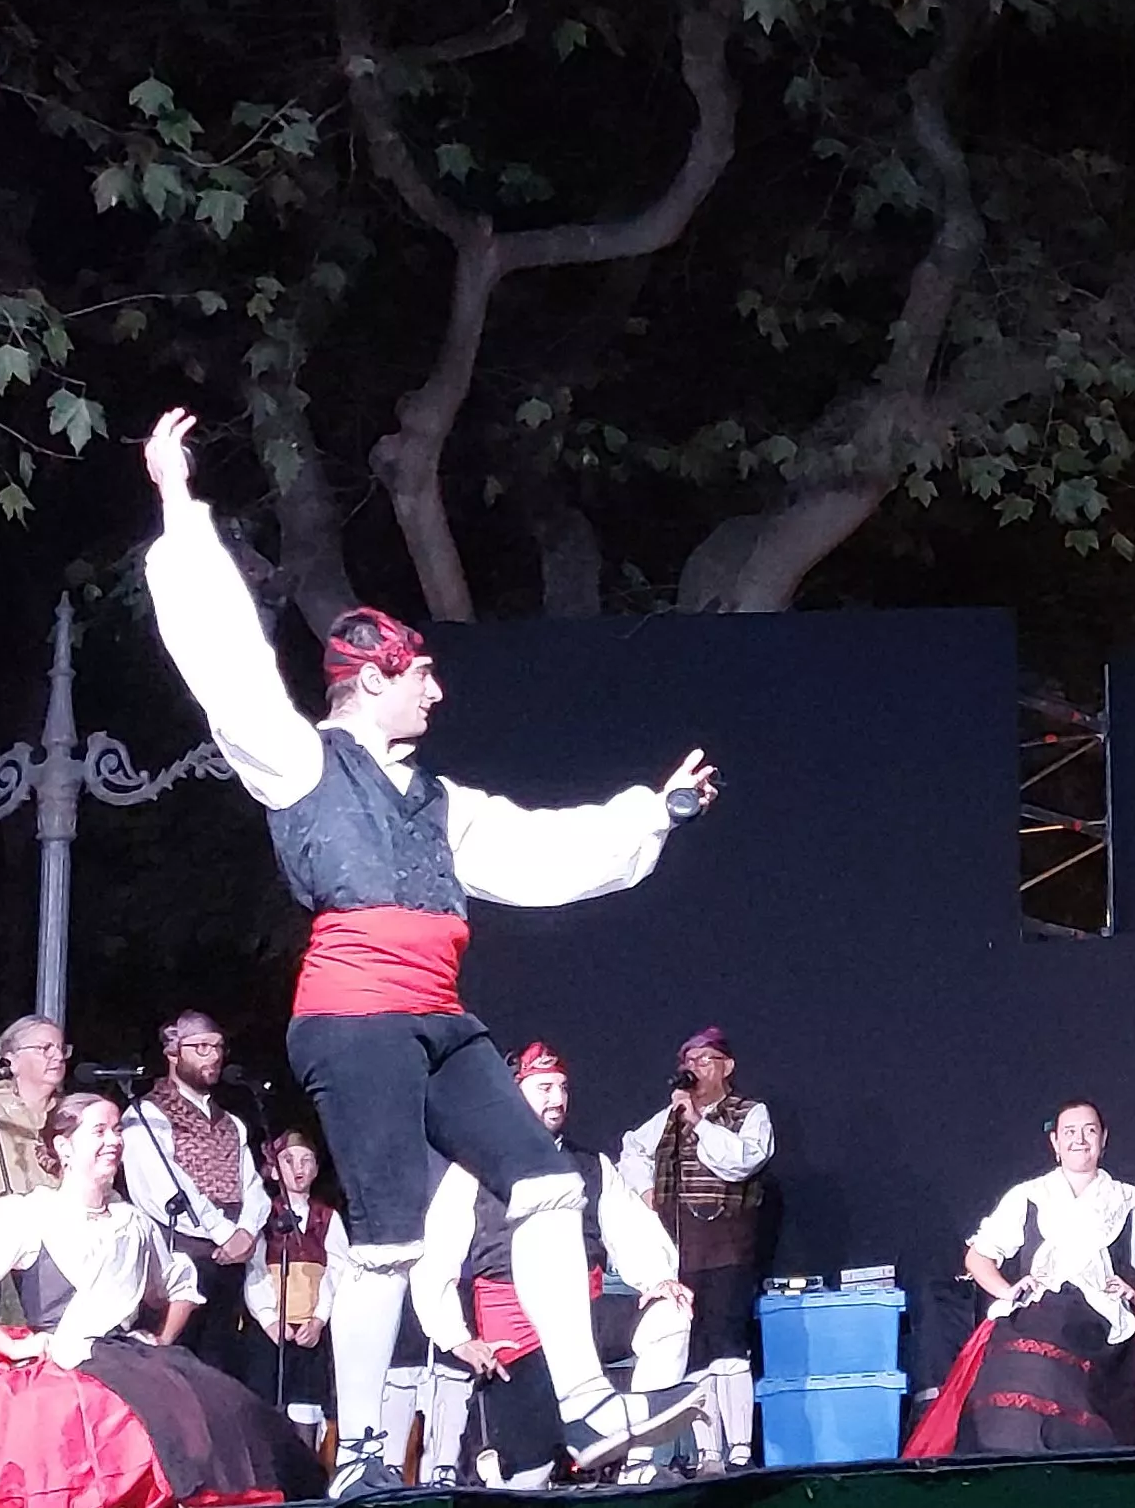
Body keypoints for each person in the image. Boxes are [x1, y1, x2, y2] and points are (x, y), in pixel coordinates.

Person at [137, 405, 717, 1497]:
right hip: (354, 1019)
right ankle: (359, 1449)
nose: (439, 692)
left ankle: (588, 1404)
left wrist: (657, 811)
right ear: (375, 678)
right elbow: (224, 662)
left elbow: (545, 849)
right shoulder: (300, 763)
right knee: (393, 1241)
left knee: (547, 1185)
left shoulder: (440, 802)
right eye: (423, 677)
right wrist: (178, 507)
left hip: (439, 1013)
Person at [0, 1091, 320, 1508]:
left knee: (228, 1414)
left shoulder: (132, 1222)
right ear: (64, 1146)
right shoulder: (30, 1214)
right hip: (60, 1355)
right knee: (76, 1430)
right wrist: (12, 1345)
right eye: (99, 1131)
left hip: (128, 1355)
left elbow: (177, 1283)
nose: (113, 1140)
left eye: (117, 1131)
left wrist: (162, 1338)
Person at [414, 1042, 703, 1483]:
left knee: (669, 1317)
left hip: (584, 1321)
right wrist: (457, 1340)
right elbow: (435, 1257)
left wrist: (659, 1277)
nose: (558, 1098)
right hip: (515, 1342)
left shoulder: (591, 1166)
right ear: (512, 1095)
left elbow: (631, 1227)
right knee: (522, 1477)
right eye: (544, 1087)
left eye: (563, 1087)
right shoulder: (472, 1170)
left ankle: (638, 1466)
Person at [907, 1101, 1135, 1456]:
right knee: (1013, 1368)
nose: (1079, 1140)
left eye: (1089, 1130)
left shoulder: (1130, 1200)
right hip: (1035, 1310)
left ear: (1104, 1138)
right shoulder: (1028, 1196)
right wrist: (1006, 1291)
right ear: (1055, 1142)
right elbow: (979, 1255)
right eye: (1069, 1132)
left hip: (1101, 1320)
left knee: (1068, 1340)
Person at [616, 1027, 773, 1472]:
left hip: (727, 1246)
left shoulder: (750, 1113)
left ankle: (739, 1447)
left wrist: (700, 1122)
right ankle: (707, 1450)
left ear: (727, 1066)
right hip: (681, 1251)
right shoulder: (668, 1116)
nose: (694, 1069)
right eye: (689, 1061)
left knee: (727, 1344)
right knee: (695, 1350)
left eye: (705, 1060)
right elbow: (631, 1148)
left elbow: (743, 1159)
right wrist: (646, 1193)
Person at [120, 1013, 274, 1391]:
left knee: (219, 1374)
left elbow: (251, 1185)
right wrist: (223, 1232)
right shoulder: (146, 1115)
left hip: (230, 1263)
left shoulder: (231, 1122)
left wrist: (246, 1232)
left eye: (218, 1047)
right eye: (201, 1048)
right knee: (171, 1374)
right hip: (178, 1258)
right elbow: (164, 1189)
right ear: (173, 1053)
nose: (213, 1056)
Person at [247, 1130, 341, 1439]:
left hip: (310, 1330)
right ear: (274, 1169)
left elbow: (337, 1269)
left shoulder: (327, 1217)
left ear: (315, 1168)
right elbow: (255, 1268)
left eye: (306, 1161)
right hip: (272, 1330)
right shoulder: (263, 1215)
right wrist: (270, 1319)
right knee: (268, 1403)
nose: (298, 1169)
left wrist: (319, 1319)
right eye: (288, 1161)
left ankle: (307, 1474)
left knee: (307, 1405)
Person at [0, 1019, 72, 1217]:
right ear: (12, 1060)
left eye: (62, 1048)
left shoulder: (74, 1113)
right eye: (45, 1048)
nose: (59, 1056)